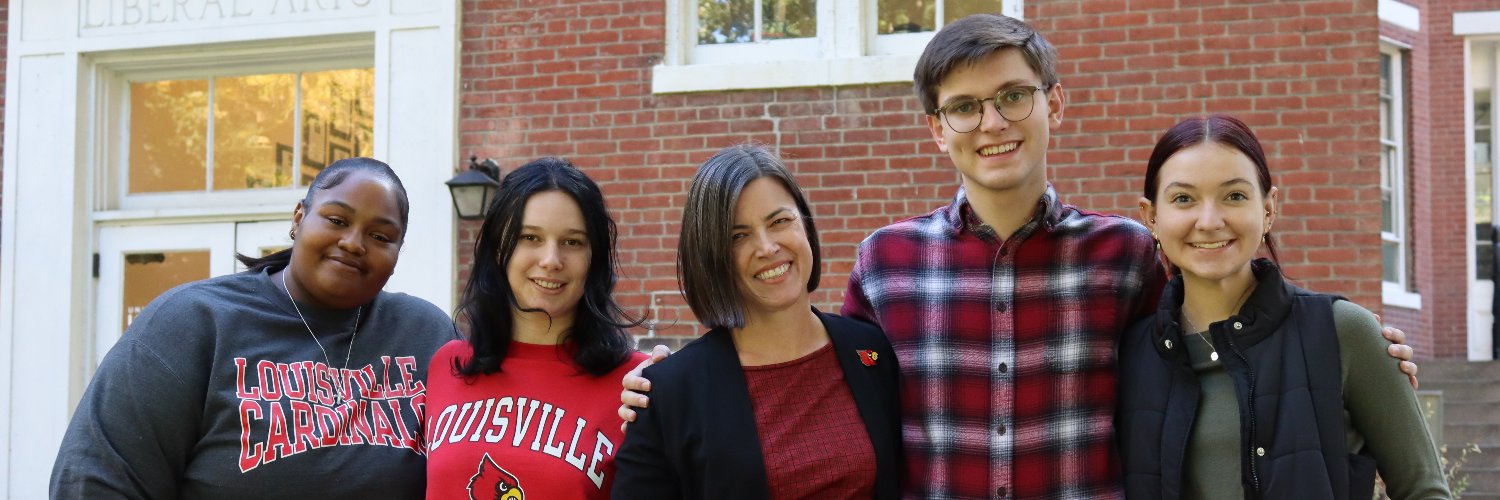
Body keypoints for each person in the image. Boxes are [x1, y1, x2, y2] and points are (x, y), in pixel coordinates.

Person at [620, 13, 1419, 499]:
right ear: (937, 129)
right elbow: (817, 376)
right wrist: (669, 383)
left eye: (1012, 96)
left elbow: (1216, 322)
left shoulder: (1125, 254)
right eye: (964, 107)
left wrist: (1341, 349)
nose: (992, 123)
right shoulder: (886, 264)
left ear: (1053, 103)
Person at [50, 158, 458, 499]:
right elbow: (94, 481)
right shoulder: (193, 322)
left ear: (397, 252)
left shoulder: (427, 336)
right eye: (337, 220)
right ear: (299, 218)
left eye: (380, 236)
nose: (354, 242)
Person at [1116, 115, 1449, 499]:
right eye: (1183, 199)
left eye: (1234, 196)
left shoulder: (1342, 332)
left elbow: (1424, 491)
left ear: (1269, 209)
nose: (1209, 221)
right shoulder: (1128, 353)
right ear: (1151, 217)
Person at [611, 144, 902, 499]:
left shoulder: (872, 351)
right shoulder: (669, 393)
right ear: (711, 257)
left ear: (805, 225)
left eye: (779, 221)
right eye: (738, 236)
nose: (767, 247)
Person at [423, 158, 648, 500]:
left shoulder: (635, 384)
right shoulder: (447, 365)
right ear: (499, 249)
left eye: (572, 242)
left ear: (594, 258)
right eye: (530, 237)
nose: (551, 260)